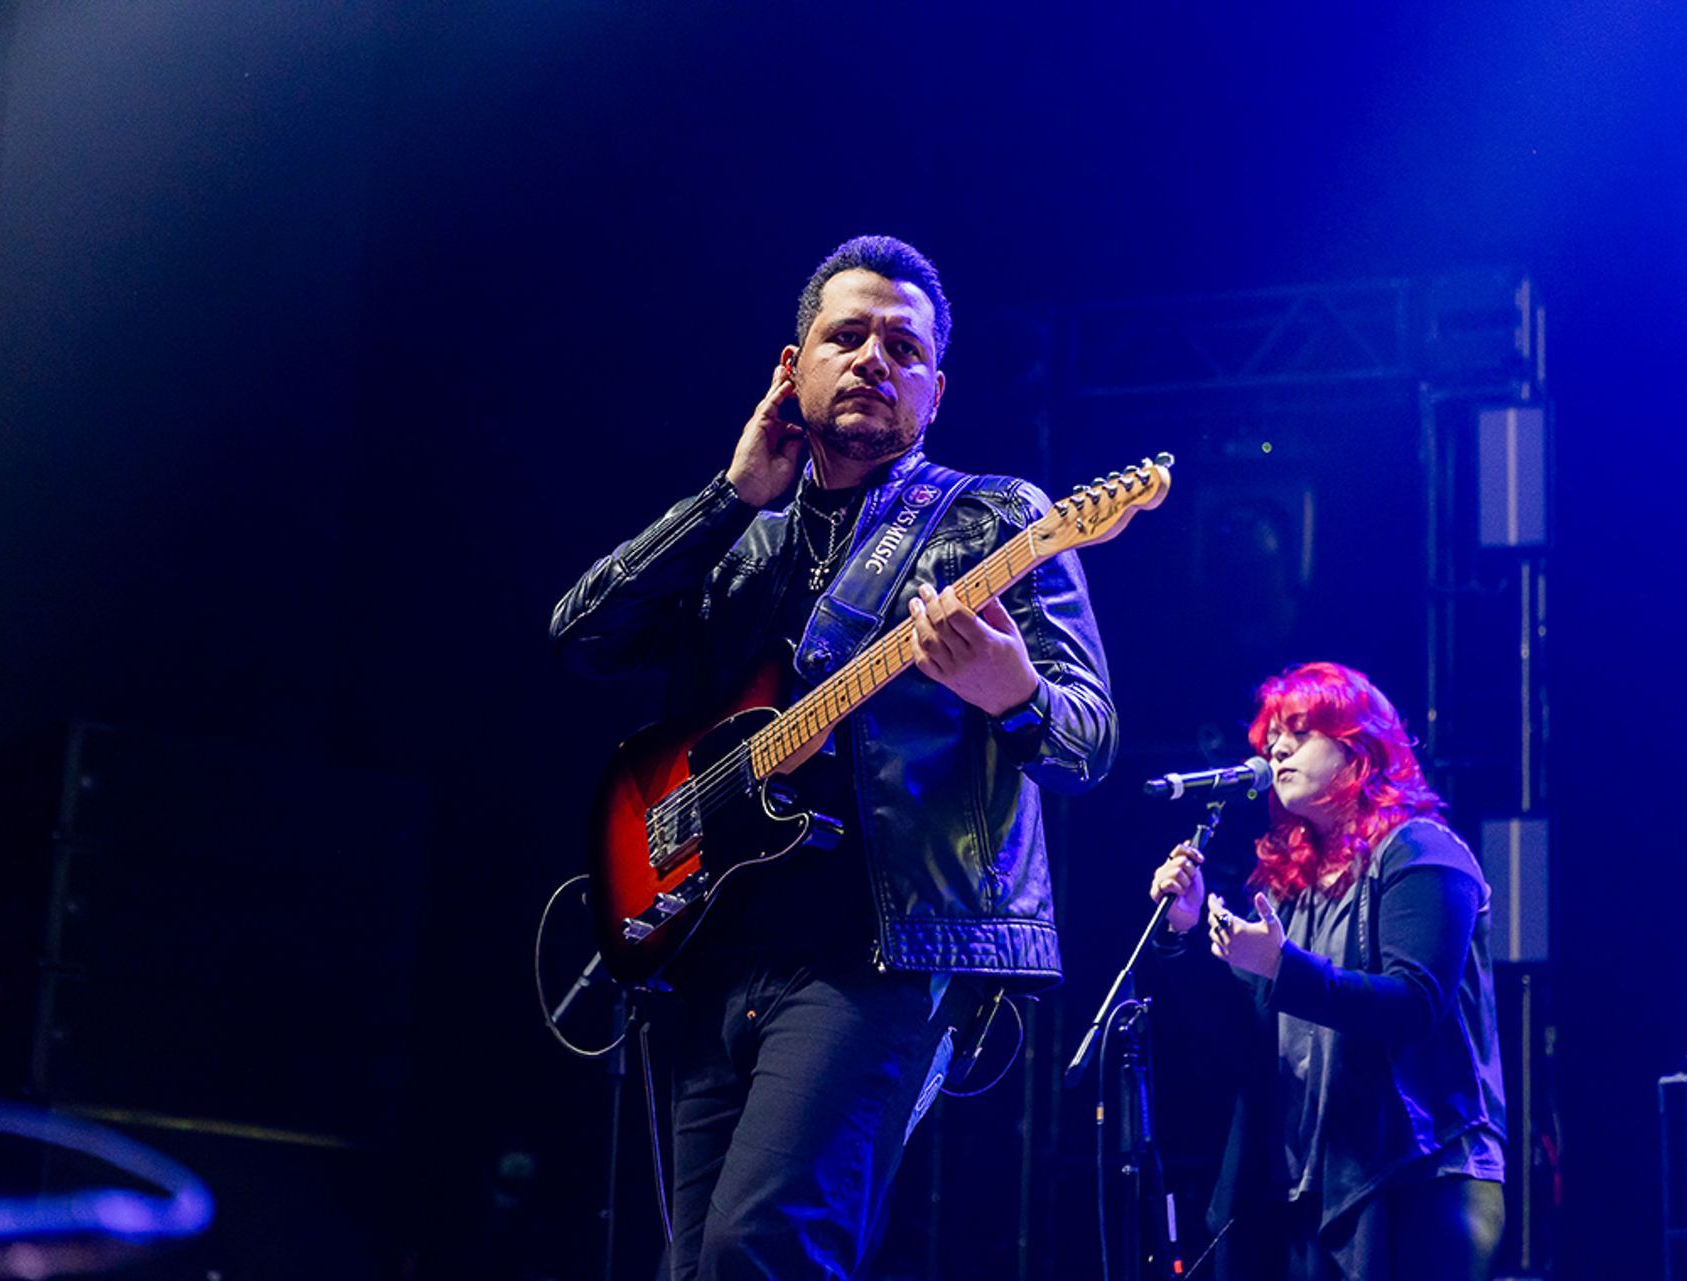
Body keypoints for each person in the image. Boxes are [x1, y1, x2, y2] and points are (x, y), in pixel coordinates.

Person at [551, 234, 1117, 1279]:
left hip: (876, 957)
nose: (872, 359)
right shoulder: (741, 532)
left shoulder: (992, 518)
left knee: (763, 1248)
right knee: (695, 1270)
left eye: (904, 348)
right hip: (707, 941)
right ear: (791, 368)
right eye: (845, 335)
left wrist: (1012, 692)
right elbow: (583, 638)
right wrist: (730, 497)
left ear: (936, 391)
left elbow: (1087, 742)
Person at [1148, 662, 1505, 1281]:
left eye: (1300, 731)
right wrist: (1183, 936)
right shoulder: (1290, 888)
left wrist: (1284, 969)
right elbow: (1244, 1046)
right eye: (1271, 738)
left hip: (1417, 1175)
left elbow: (1414, 1004)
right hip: (1302, 1186)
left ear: (1357, 748)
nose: (1277, 748)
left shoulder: (1423, 850)